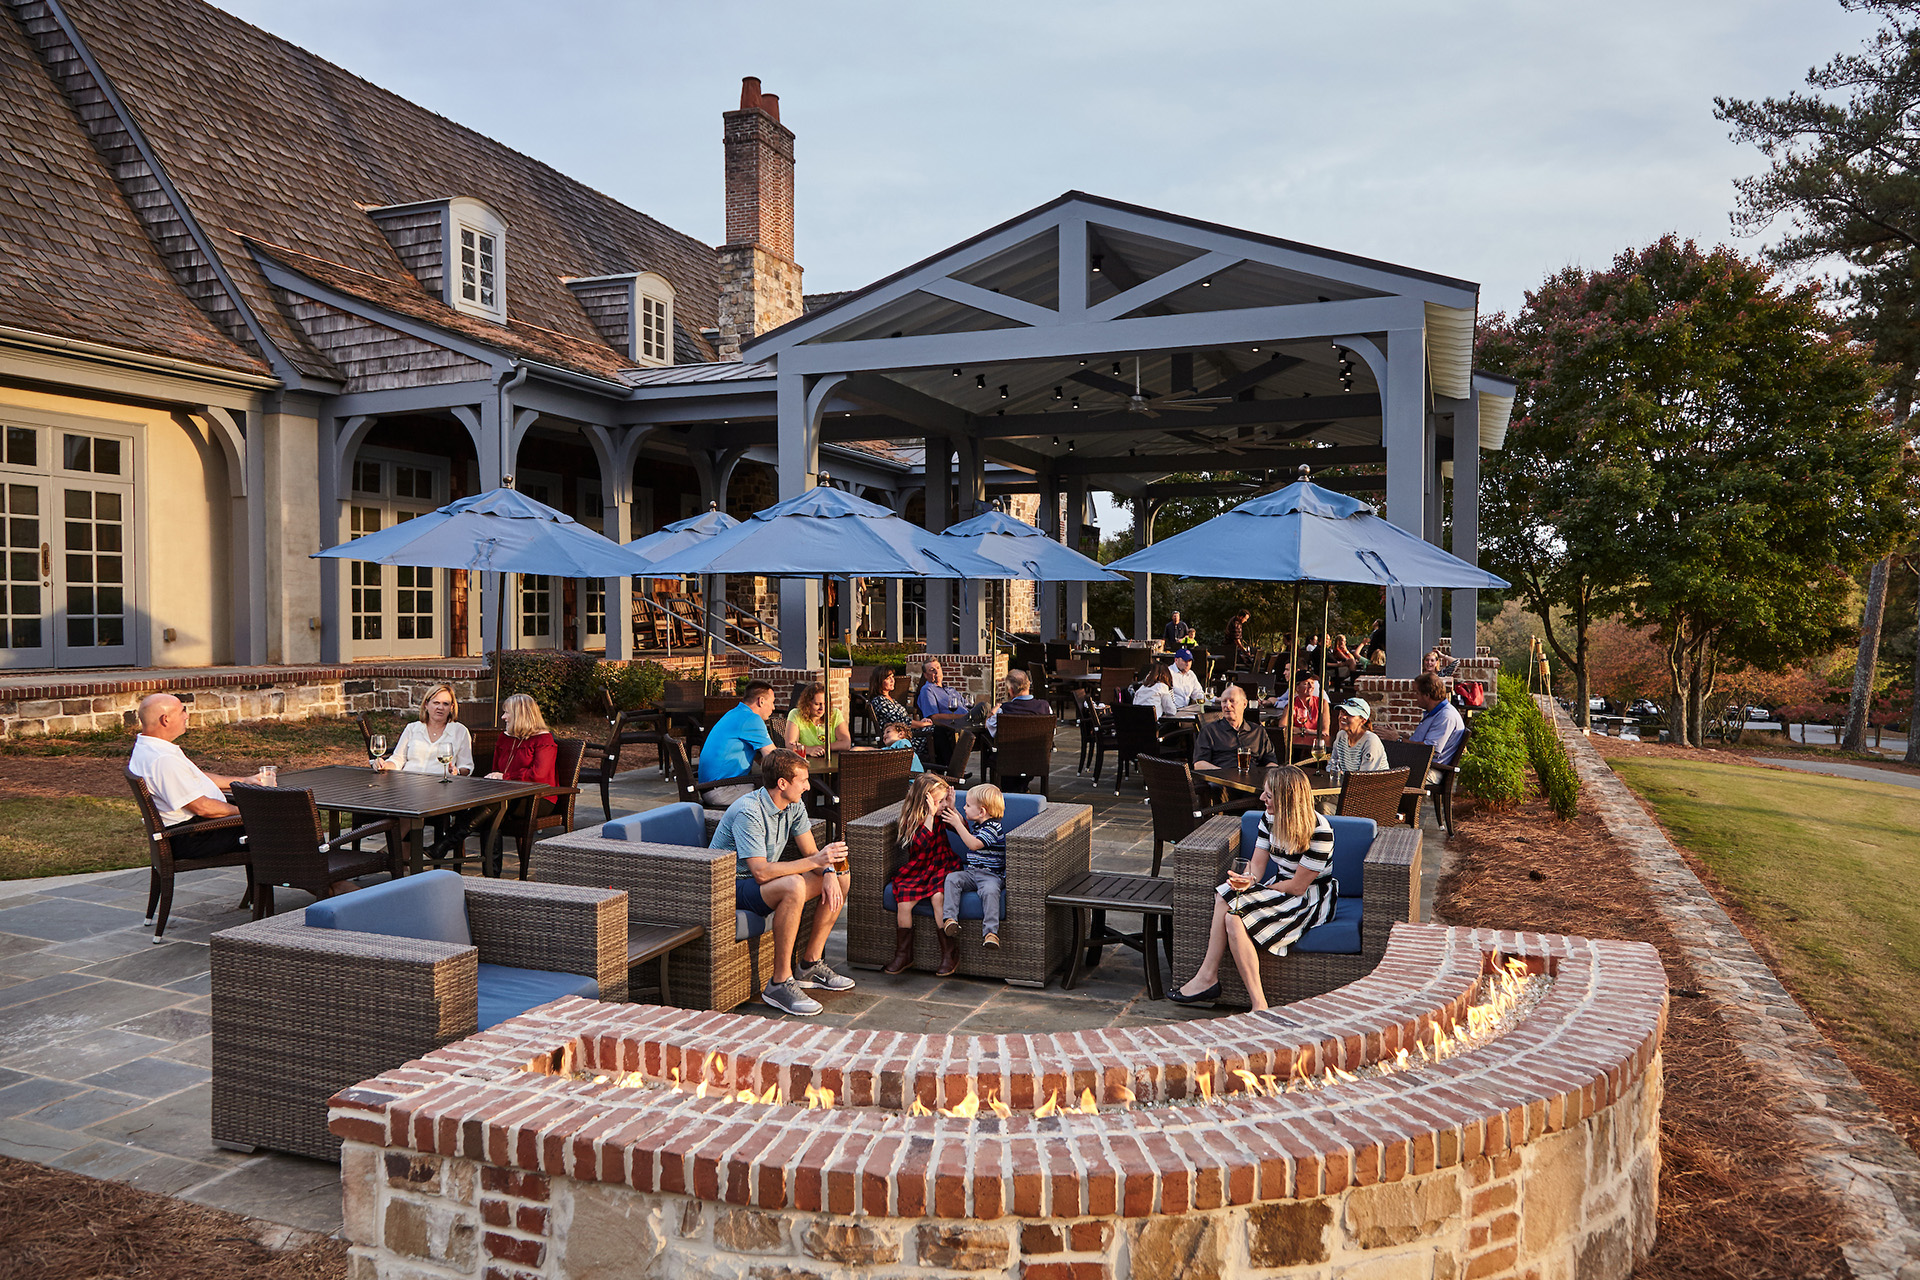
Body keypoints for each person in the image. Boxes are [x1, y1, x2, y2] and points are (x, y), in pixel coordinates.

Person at [1170, 765, 1337, 1010]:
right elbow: (1257, 867)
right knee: (1226, 898)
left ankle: (1236, 993)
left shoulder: (1319, 832)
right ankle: (1219, 983)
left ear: (1286, 799)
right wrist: (1247, 880)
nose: (1262, 799)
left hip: (1309, 899)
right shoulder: (1269, 819)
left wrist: (1258, 890)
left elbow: (1298, 887)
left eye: (1268, 795)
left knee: (1230, 910)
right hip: (1280, 888)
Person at [710, 749, 853, 1016]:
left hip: (762, 883)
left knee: (842, 873)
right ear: (783, 784)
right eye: (803, 781)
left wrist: (830, 873)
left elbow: (812, 853)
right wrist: (819, 863)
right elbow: (761, 872)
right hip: (730, 886)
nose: (808, 786)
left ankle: (809, 963)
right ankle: (778, 982)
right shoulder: (748, 811)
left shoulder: (794, 805)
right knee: (794, 885)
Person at [127, 692, 302, 878]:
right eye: (182, 711)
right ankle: (318, 882)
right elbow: (203, 807)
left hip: (189, 832)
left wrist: (243, 781)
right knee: (283, 823)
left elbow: (195, 777)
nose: (186, 716)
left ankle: (270, 890)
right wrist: (249, 812)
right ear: (166, 719)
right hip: (193, 836)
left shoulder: (147, 748)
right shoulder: (163, 760)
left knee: (277, 820)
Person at [884, 773, 966, 977]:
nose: (941, 806)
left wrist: (952, 808)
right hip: (919, 867)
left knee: (938, 897)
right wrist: (930, 815)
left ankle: (949, 952)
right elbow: (922, 846)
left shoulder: (943, 815)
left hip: (942, 864)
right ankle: (904, 953)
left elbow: (963, 830)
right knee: (903, 901)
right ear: (925, 801)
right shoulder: (912, 819)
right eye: (939, 802)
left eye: (942, 801)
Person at [941, 782, 1007, 949]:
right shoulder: (980, 824)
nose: (964, 807)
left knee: (991, 892)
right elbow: (963, 825)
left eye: (968, 805)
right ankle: (950, 919)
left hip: (991, 876)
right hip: (971, 873)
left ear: (982, 811)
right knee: (952, 878)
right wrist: (952, 808)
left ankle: (991, 933)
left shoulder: (993, 828)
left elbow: (973, 844)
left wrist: (956, 823)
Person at [698, 681, 779, 806]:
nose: (773, 707)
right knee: (782, 790)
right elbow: (774, 758)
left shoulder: (735, 713)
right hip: (722, 791)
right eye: (772, 702)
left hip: (709, 787)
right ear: (761, 701)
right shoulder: (752, 719)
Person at [1386, 672, 1467, 785]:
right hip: (1420, 765)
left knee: (1384, 779)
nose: (1415, 697)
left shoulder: (1446, 716)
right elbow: (1420, 742)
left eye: (1417, 693)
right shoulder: (1435, 713)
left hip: (1430, 770)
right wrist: (1396, 736)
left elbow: (1429, 749)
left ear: (1427, 695)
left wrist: (1398, 740)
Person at [377, 684, 473, 775]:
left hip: (442, 786)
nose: (440, 707)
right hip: (408, 783)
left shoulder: (460, 731)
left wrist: (457, 772)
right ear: (426, 705)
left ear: (451, 707)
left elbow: (466, 767)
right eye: (436, 703)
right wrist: (384, 765)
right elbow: (398, 759)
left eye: (446, 704)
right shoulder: (412, 728)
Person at [1190, 685, 1277, 773]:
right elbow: (1199, 764)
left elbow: (1271, 762)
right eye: (1224, 701)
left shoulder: (1258, 732)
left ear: (1244, 704)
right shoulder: (1210, 731)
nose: (1227, 705)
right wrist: (1224, 774)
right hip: (1221, 781)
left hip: (1253, 781)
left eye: (1232, 701)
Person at [915, 658, 975, 767]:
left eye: (938, 668)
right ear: (925, 675)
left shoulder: (950, 689)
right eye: (932, 670)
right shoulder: (928, 690)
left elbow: (967, 705)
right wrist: (964, 716)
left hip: (970, 723)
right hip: (956, 724)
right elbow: (934, 717)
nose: (936, 672)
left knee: (990, 716)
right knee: (985, 708)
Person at [867, 667, 933, 760]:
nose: (892, 680)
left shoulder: (891, 700)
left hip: (907, 734)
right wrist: (921, 724)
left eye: (892, 677)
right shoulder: (880, 701)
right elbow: (902, 722)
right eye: (887, 678)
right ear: (879, 681)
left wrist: (921, 722)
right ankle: (947, 766)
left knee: (941, 732)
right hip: (902, 741)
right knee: (937, 732)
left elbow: (904, 718)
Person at [1325, 696, 1389, 783]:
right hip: (1346, 787)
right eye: (1342, 712)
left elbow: (1365, 778)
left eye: (1350, 714)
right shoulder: (1341, 736)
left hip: (1373, 791)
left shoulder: (1370, 741)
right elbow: (1332, 765)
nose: (1343, 716)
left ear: (1363, 721)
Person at [1274, 672, 1330, 763]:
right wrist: (1307, 731)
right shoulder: (1292, 704)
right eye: (1306, 683)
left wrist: (1301, 730)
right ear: (1297, 687)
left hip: (1317, 747)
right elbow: (1282, 727)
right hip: (1297, 748)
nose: (1311, 686)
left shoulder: (1322, 703)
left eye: (1312, 683)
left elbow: (1325, 732)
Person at [785, 681, 852, 757]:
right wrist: (810, 750)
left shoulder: (835, 714)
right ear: (807, 704)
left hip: (832, 759)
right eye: (817, 704)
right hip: (806, 760)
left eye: (825, 703)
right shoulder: (796, 714)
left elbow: (846, 743)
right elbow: (790, 745)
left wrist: (822, 749)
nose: (822, 708)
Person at [985, 668, 1051, 735]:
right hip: (1038, 744)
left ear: (1011, 691)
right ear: (1028, 685)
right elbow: (1052, 731)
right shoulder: (1045, 706)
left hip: (1011, 744)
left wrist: (992, 713)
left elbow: (989, 726)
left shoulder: (1003, 710)